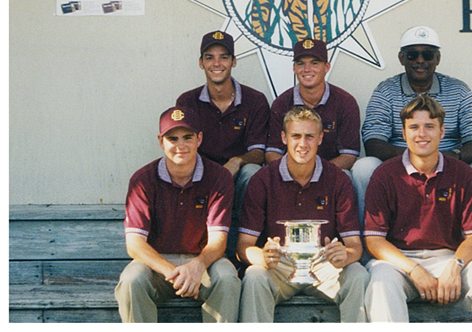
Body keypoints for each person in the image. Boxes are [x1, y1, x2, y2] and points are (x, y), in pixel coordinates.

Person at [352, 26, 472, 255]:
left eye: (428, 54)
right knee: (364, 167)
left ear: (438, 58)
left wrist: (443, 160)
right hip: (400, 170)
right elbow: (373, 142)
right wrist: (416, 158)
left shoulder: (458, 90)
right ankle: (372, 250)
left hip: (451, 169)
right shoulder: (386, 91)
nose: (420, 60)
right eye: (412, 55)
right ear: (401, 58)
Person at [363, 95, 472, 322]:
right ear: (403, 134)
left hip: (449, 258)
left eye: (429, 126)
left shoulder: (462, 173)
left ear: (442, 132)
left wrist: (455, 266)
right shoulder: (385, 174)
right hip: (399, 262)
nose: (421, 134)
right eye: (413, 127)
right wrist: (414, 270)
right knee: (381, 283)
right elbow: (374, 241)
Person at [237, 106, 369, 322]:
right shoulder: (262, 179)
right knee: (254, 276)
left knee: (358, 275)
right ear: (283, 137)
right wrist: (262, 256)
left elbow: (355, 246)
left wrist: (345, 254)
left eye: (309, 136)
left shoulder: (338, 179)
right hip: (280, 264)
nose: (302, 143)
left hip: (324, 264)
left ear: (320, 138)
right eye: (296, 136)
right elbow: (243, 246)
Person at [115, 107, 240, 322]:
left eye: (188, 137)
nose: (180, 145)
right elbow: (134, 245)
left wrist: (197, 266)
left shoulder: (219, 177)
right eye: (172, 138)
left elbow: (218, 242)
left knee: (227, 278)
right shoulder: (143, 179)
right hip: (158, 263)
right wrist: (175, 273)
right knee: (130, 280)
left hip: (204, 262)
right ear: (161, 141)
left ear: (199, 139)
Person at [176, 30, 270, 264]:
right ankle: (196, 252)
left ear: (234, 61)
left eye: (224, 57)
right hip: (202, 175)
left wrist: (237, 161)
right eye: (209, 57)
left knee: (253, 173)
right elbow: (183, 148)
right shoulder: (187, 101)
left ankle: (244, 251)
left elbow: (259, 152)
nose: (216, 63)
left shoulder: (255, 100)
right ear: (201, 63)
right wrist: (214, 173)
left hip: (237, 175)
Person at [266, 38, 360, 172]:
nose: (307, 69)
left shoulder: (345, 102)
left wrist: (315, 173)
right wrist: (296, 173)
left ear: (326, 67)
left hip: (330, 173)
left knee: (345, 174)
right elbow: (272, 152)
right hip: (292, 173)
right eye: (301, 64)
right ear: (294, 68)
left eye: (314, 63)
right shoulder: (282, 103)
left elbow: (349, 155)